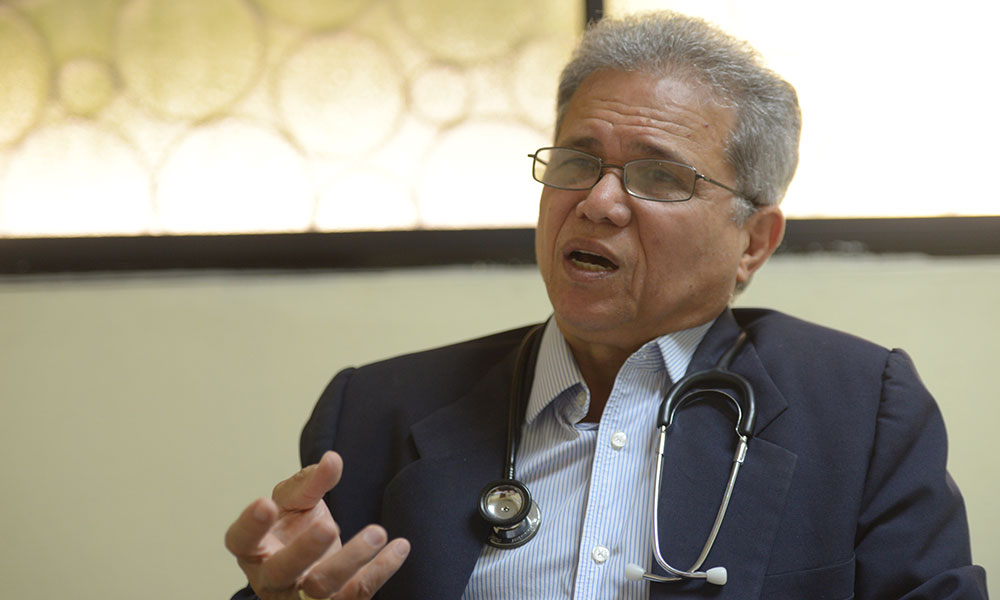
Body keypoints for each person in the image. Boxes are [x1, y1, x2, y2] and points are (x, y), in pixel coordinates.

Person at [225, 11, 988, 600]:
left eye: (659, 177)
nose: (598, 202)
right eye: (578, 161)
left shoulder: (860, 412)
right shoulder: (376, 411)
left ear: (753, 241)